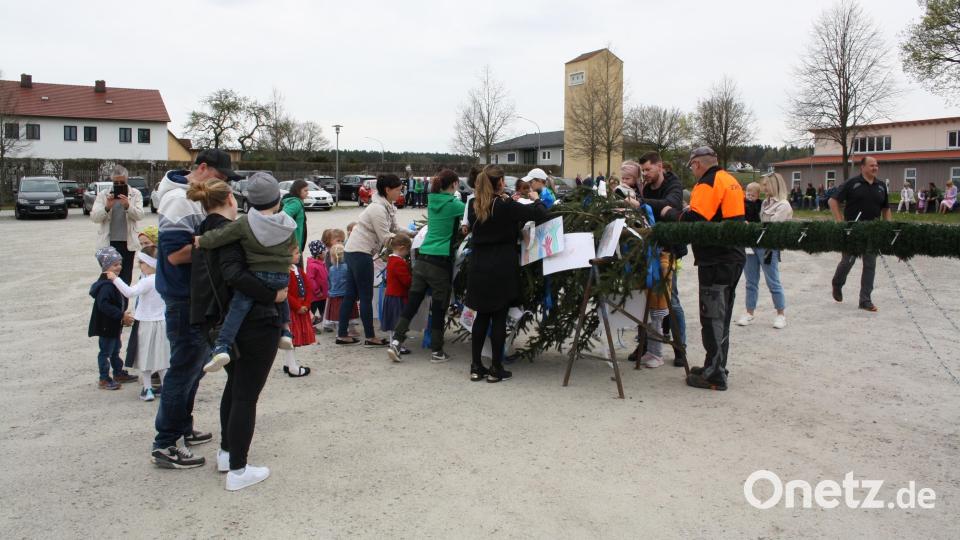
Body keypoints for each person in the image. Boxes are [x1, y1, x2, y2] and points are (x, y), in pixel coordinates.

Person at [186, 178, 286, 490]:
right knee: (246, 395)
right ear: (231, 198)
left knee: (236, 387)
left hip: (217, 320)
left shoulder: (206, 230)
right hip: (253, 322)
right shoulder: (232, 231)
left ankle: (228, 453)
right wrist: (273, 295)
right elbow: (234, 274)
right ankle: (239, 470)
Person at [152, 149, 237, 469]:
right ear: (202, 168)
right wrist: (220, 240)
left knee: (194, 366)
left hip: (194, 295)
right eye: (221, 176)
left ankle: (182, 427)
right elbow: (175, 255)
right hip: (182, 296)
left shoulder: (190, 198)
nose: (225, 183)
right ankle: (166, 442)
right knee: (184, 368)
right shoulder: (179, 201)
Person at [659, 146, 745, 391]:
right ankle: (715, 364)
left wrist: (671, 213)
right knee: (722, 315)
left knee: (712, 315)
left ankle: (715, 374)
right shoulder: (730, 180)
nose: (693, 171)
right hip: (733, 256)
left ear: (697, 164)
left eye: (692, 167)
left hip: (716, 259)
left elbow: (696, 221)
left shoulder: (707, 183)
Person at [195, 172, 296, 373]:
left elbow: (220, 236)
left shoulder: (245, 223)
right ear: (278, 200)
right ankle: (286, 331)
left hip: (257, 275)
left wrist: (201, 240)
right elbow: (293, 248)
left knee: (238, 309)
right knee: (282, 297)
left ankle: (222, 346)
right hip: (281, 275)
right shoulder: (288, 223)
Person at [467, 165, 548, 382]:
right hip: (501, 265)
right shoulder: (504, 205)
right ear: (500, 182)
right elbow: (539, 214)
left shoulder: (475, 205)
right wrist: (536, 198)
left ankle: (476, 366)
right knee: (499, 317)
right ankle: (496, 368)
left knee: (482, 316)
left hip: (479, 265)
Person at [388, 170, 465, 363]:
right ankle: (437, 351)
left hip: (422, 259)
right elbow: (472, 212)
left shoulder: (432, 201)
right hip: (440, 262)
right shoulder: (454, 204)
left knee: (413, 303)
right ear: (455, 184)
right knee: (439, 308)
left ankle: (396, 341)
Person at [626, 153, 688, 367]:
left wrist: (641, 203)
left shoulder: (674, 184)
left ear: (660, 167)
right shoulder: (645, 186)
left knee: (672, 301)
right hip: (649, 249)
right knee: (646, 299)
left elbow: (671, 204)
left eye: (648, 170)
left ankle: (680, 348)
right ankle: (645, 345)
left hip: (670, 249)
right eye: (642, 170)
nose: (645, 174)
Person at [338, 174, 403, 346]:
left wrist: (413, 233)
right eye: (398, 190)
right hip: (360, 252)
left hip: (353, 251)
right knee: (365, 296)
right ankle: (370, 337)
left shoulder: (387, 206)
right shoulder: (378, 209)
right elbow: (385, 237)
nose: (400, 193)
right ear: (387, 190)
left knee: (351, 295)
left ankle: (342, 334)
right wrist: (405, 242)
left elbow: (396, 228)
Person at [829, 156, 892, 312]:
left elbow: (886, 208)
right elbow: (833, 201)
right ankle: (837, 283)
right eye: (871, 165)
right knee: (847, 261)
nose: (875, 168)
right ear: (862, 167)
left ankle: (865, 300)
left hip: (873, 231)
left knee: (870, 265)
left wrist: (888, 227)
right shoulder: (852, 183)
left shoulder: (881, 186)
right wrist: (840, 221)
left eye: (876, 165)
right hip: (853, 231)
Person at [108, 248, 169, 401]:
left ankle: (147, 389)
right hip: (162, 322)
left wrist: (115, 278)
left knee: (144, 357)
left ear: (150, 264)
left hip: (146, 323)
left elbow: (129, 292)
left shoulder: (147, 281)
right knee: (162, 357)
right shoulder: (165, 278)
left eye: (141, 262)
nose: (139, 265)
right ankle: (166, 387)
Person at [737, 173, 793, 330]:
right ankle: (749, 312)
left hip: (768, 247)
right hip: (752, 245)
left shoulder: (783, 205)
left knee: (772, 281)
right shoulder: (764, 203)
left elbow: (770, 227)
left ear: (774, 185)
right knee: (750, 281)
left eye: (766, 184)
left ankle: (781, 314)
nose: (763, 187)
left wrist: (751, 226)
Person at [89, 246, 136, 390]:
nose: (119, 267)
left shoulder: (114, 282)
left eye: (120, 264)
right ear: (105, 266)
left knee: (115, 349)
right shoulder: (106, 286)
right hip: (106, 325)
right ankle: (104, 378)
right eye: (115, 265)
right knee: (106, 352)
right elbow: (104, 305)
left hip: (114, 324)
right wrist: (121, 315)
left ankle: (118, 372)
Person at [91, 165, 145, 285]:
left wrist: (127, 206)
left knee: (125, 279)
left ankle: (123, 298)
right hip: (108, 243)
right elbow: (94, 217)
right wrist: (107, 207)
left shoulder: (135, 194)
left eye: (122, 182)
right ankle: (110, 297)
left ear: (126, 180)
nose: (119, 185)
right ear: (112, 181)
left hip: (128, 244)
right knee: (109, 278)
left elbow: (140, 215)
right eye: (116, 183)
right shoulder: (103, 195)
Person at [282, 246, 313, 377]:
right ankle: (292, 368)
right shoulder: (284, 272)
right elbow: (286, 293)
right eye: (296, 253)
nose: (299, 255)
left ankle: (289, 363)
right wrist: (297, 306)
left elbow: (308, 287)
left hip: (301, 307)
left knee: (293, 337)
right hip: (292, 309)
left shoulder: (298, 270)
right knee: (290, 338)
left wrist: (306, 304)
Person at [380, 234, 412, 338]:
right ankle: (397, 342)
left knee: (393, 322)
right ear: (402, 248)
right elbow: (406, 281)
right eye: (407, 250)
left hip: (391, 295)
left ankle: (392, 342)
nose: (407, 253)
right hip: (397, 296)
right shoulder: (399, 262)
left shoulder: (391, 259)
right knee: (398, 322)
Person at [282, 179, 309, 256]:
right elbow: (283, 216)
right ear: (298, 191)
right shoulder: (295, 203)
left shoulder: (297, 201)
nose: (307, 193)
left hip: (295, 244)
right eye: (305, 190)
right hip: (294, 246)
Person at [306, 240, 329, 326]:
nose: (326, 252)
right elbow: (310, 280)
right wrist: (317, 291)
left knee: (324, 311)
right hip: (315, 296)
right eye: (324, 251)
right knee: (312, 311)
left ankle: (326, 325)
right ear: (319, 254)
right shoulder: (312, 265)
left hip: (323, 295)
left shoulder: (321, 263)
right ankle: (311, 326)